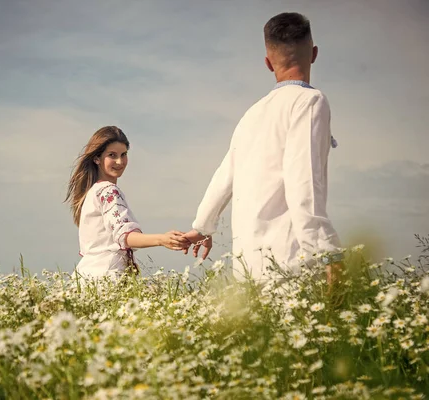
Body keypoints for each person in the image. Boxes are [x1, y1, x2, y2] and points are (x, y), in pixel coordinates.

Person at [183, 12, 342, 285]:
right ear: (314, 53)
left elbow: (224, 177)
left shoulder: (252, 114)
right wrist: (327, 254)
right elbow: (303, 182)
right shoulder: (309, 101)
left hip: (247, 268)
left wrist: (202, 226)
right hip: (292, 263)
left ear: (268, 63)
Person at [66, 126, 190, 279]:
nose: (120, 161)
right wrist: (162, 239)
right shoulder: (108, 191)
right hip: (107, 277)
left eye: (123, 154)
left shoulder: (91, 192)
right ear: (97, 158)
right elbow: (125, 237)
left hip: (86, 277)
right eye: (112, 155)